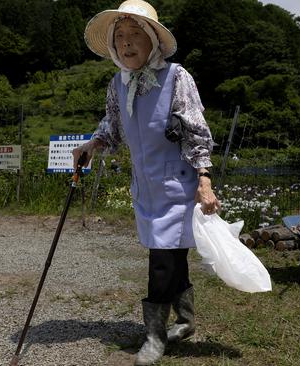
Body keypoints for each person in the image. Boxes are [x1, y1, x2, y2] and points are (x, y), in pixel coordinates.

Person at [73, 1, 220, 364]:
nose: (126, 43)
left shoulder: (176, 76)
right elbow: (112, 127)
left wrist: (205, 179)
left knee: (162, 260)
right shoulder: (117, 83)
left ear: (152, 39)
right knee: (175, 257)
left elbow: (196, 130)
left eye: (135, 34)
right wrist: (92, 144)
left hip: (179, 185)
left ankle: (154, 336)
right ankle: (185, 322)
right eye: (119, 36)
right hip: (145, 186)